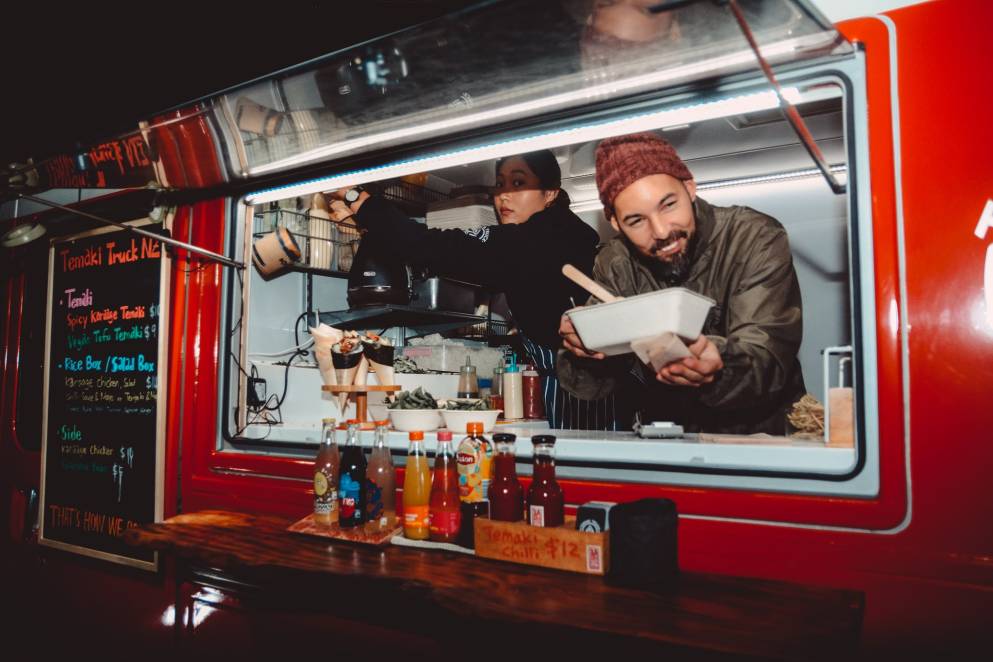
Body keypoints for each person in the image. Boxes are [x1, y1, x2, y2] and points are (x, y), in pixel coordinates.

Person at [329, 150, 621, 430]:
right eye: (499, 184)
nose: (504, 195)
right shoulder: (561, 235)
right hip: (595, 389)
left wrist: (356, 196)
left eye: (518, 183)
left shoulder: (531, 241)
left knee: (578, 471)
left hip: (579, 390)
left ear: (550, 193)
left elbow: (426, 246)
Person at [558, 132, 805, 434]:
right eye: (636, 221)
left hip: (764, 438)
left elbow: (767, 355)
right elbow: (593, 386)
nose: (661, 231)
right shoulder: (617, 263)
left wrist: (719, 364)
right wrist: (585, 349)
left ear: (689, 187)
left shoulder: (754, 237)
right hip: (671, 440)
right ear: (616, 223)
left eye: (668, 205)